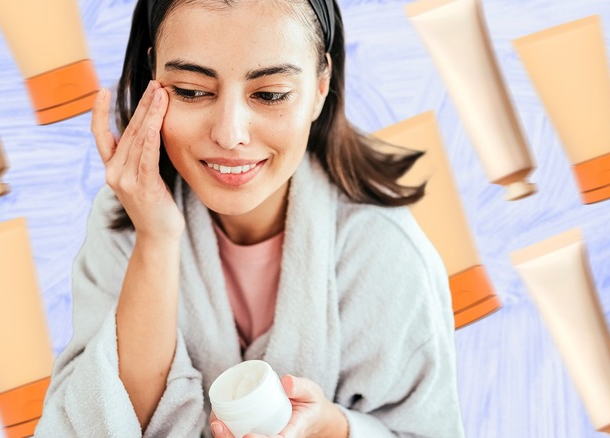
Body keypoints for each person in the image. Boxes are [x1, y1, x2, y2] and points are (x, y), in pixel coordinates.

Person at [35, 0, 465, 436]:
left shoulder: (383, 250)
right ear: (153, 79)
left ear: (320, 87)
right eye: (190, 90)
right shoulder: (125, 221)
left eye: (270, 94)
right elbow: (96, 426)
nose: (229, 133)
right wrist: (156, 238)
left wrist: (331, 428)